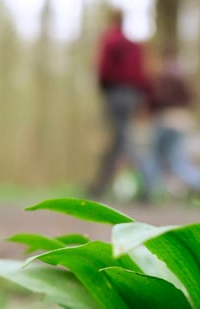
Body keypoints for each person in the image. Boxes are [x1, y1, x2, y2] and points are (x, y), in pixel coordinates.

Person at [87, 8, 150, 202]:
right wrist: (141, 98)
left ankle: (147, 184)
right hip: (132, 95)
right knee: (119, 139)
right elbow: (141, 74)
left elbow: (103, 67)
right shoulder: (134, 46)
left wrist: (103, 87)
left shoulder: (110, 40)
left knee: (123, 140)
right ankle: (99, 186)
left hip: (115, 93)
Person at [141, 46, 200, 201]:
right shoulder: (183, 75)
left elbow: (157, 98)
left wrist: (150, 108)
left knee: (155, 156)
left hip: (166, 119)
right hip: (182, 120)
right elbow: (192, 97)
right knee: (177, 159)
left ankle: (150, 189)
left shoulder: (163, 77)